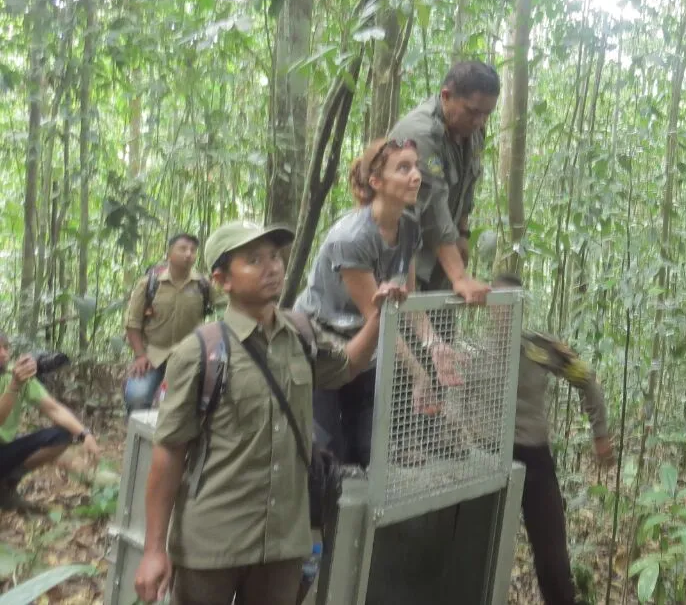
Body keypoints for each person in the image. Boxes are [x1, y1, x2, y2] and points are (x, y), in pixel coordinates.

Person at [134, 221, 399, 605]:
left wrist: (377, 316)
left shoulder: (302, 335)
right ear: (222, 280)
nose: (272, 267)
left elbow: (346, 368)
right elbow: (169, 452)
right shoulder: (201, 351)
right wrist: (154, 550)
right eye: (254, 260)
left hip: (282, 544)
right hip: (212, 544)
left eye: (275, 256)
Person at [293, 136, 458, 466]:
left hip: (365, 342)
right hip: (321, 343)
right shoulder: (351, 238)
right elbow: (378, 317)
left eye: (416, 167)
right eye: (403, 168)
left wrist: (434, 343)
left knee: (368, 449)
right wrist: (418, 373)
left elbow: (406, 301)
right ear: (376, 182)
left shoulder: (409, 228)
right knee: (328, 452)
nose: (416, 176)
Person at [494, 275, 613, 605]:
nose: (503, 313)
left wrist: (600, 433)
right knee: (482, 551)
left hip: (533, 458)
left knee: (552, 556)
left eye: (510, 305)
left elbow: (586, 379)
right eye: (498, 305)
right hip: (490, 459)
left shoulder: (538, 348)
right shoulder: (477, 350)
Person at [388, 60, 499, 305]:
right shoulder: (420, 134)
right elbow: (433, 207)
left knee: (442, 327)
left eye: (487, 114)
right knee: (409, 324)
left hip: (443, 260)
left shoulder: (473, 131)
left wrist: (463, 233)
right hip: (405, 261)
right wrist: (460, 277)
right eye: (473, 112)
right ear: (446, 96)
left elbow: (468, 185)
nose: (480, 121)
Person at [0, 333, 101, 512]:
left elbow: (54, 409)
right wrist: (14, 387)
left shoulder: (13, 377)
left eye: (5, 348)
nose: (3, 353)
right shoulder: (15, 381)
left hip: (5, 451)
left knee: (61, 435)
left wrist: (85, 434)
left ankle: (6, 485)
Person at [123, 233, 212, 412]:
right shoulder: (149, 284)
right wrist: (140, 356)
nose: (188, 254)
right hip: (153, 355)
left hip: (189, 357)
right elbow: (133, 323)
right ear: (169, 253)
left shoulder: (202, 285)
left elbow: (227, 303)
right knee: (136, 397)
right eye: (183, 249)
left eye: (193, 250)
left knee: (202, 400)